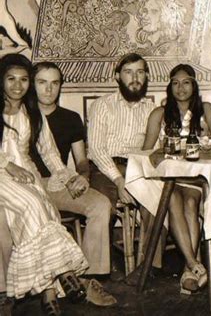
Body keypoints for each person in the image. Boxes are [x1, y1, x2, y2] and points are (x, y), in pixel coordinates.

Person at [0, 53, 89, 316]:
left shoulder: (32, 110)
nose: (18, 86)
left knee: (46, 210)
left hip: (26, 172)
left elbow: (48, 151)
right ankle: (63, 272)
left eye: (24, 80)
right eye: (11, 79)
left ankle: (48, 292)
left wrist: (67, 175)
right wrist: (8, 166)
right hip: (1, 172)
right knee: (33, 205)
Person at [29, 62, 116, 300]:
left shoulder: (70, 118)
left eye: (54, 83)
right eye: (42, 82)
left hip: (58, 184)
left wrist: (83, 176)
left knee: (100, 204)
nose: (49, 89)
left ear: (60, 87)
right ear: (32, 84)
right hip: (27, 188)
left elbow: (81, 160)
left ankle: (88, 279)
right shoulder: (21, 116)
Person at [142, 64, 211, 294]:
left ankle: (189, 267)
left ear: (194, 85)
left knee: (190, 203)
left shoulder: (205, 109)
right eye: (175, 83)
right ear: (169, 86)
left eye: (186, 82)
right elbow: (146, 150)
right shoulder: (160, 113)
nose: (181, 88)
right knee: (173, 199)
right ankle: (194, 265)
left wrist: (207, 140)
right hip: (169, 178)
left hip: (196, 176)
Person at [87, 53, 164, 274]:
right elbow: (96, 150)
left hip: (137, 168)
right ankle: (99, 267)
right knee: (103, 206)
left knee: (156, 201)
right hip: (105, 168)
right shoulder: (102, 105)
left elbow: (157, 148)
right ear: (117, 76)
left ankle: (150, 266)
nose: (135, 78)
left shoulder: (152, 110)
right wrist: (119, 180)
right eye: (128, 72)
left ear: (146, 76)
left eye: (140, 72)